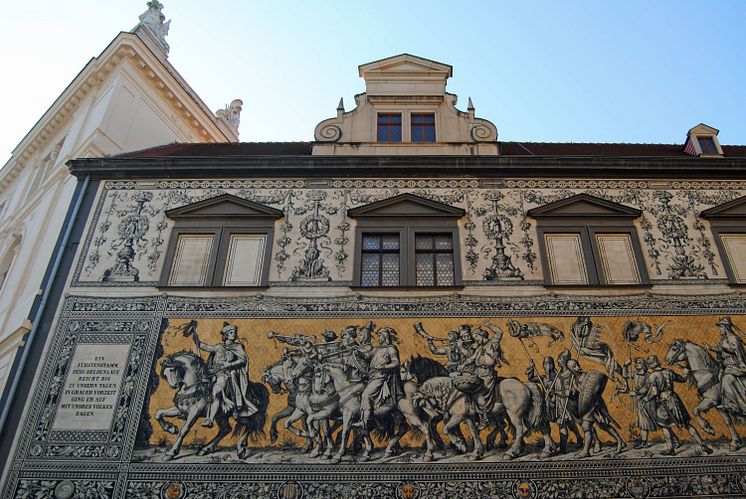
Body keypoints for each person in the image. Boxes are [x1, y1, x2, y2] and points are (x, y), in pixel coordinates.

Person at [644, 355, 712, 455]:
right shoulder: (669, 372)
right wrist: (686, 372)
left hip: (663, 403)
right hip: (675, 400)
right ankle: (702, 444)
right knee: (688, 425)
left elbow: (654, 392)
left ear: (650, 365)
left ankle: (670, 448)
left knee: (665, 426)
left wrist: (647, 398)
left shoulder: (653, 376)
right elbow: (683, 379)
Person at [193, 322, 257, 427]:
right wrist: (197, 341)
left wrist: (229, 364)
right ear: (226, 334)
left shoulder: (238, 347)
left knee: (216, 392)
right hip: (211, 374)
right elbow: (207, 347)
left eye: (234, 332)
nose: (234, 334)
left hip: (224, 375)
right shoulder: (219, 347)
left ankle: (210, 419)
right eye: (231, 332)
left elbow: (243, 359)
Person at [355, 327, 403, 429]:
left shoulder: (391, 349)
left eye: (380, 335)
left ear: (385, 336)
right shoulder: (377, 349)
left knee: (366, 395)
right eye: (378, 335)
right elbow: (367, 356)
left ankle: (365, 421)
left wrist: (384, 366)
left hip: (381, 377)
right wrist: (358, 352)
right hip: (371, 376)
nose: (378, 337)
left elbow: (396, 363)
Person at [708, 317, 746, 415]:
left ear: (726, 328)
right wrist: (711, 348)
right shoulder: (725, 339)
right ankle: (726, 401)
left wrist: (724, 350)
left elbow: (736, 351)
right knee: (719, 375)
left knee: (726, 379)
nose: (720, 330)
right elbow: (721, 349)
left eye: (721, 327)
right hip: (728, 366)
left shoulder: (732, 338)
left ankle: (735, 405)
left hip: (736, 365)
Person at [623, 357, 657, 448]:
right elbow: (625, 375)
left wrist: (636, 393)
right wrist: (626, 365)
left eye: (639, 362)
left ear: (644, 365)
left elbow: (646, 388)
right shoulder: (635, 374)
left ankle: (644, 442)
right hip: (640, 400)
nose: (637, 364)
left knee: (646, 421)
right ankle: (644, 441)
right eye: (636, 362)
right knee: (642, 422)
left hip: (647, 400)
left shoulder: (648, 375)